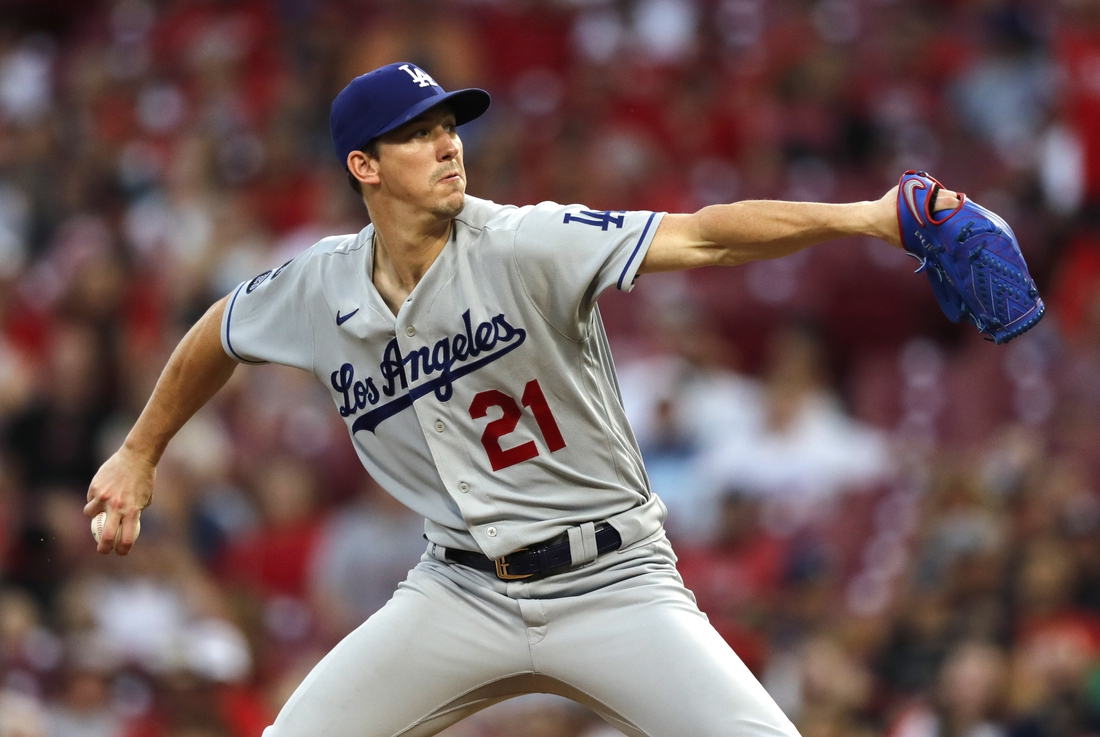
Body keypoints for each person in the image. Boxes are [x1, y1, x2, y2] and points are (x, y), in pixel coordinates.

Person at [85, 62, 963, 737]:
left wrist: (869, 216)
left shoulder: (524, 242)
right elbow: (219, 330)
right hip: (457, 590)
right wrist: (140, 449)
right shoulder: (319, 285)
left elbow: (701, 238)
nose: (448, 144)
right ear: (365, 166)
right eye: (418, 134)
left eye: (449, 127)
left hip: (613, 581)